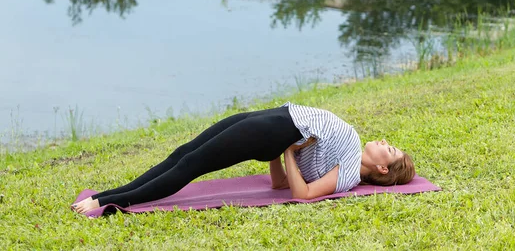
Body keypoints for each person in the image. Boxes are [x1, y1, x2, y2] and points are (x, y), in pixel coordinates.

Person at [72, 102, 415, 214]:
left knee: (191, 165)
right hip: (279, 119)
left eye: (390, 149)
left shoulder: (350, 173)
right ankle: (110, 193)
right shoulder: (346, 154)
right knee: (184, 153)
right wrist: (283, 153)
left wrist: (288, 149)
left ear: (383, 168)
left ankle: (103, 202)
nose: (385, 142)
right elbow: (281, 182)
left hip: (278, 130)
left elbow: (302, 194)